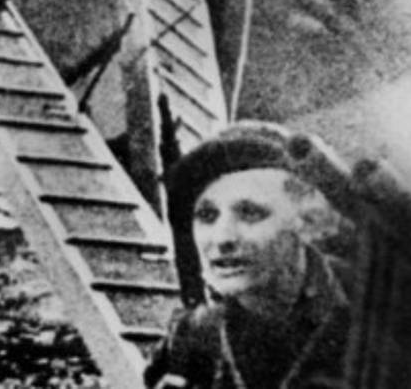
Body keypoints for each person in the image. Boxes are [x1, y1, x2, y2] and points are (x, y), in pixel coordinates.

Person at [145, 122, 351, 389]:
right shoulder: (191, 339)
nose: (223, 238)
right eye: (207, 216)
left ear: (309, 222)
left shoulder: (368, 311)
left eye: (250, 213)